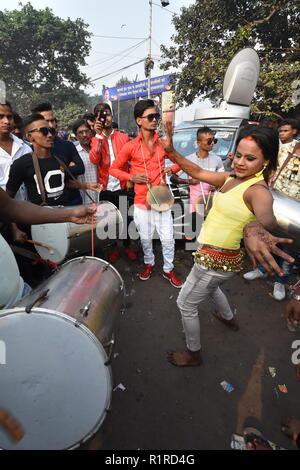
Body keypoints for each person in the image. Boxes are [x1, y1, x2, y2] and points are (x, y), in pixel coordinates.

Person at [160, 122, 290, 366]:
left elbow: (267, 219)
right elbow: (197, 172)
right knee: (212, 288)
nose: (240, 162)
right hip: (208, 255)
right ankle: (228, 317)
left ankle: (194, 354)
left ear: (265, 161)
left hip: (217, 261)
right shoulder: (232, 178)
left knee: (185, 304)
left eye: (250, 158)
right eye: (238, 155)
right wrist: (171, 151)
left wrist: (256, 228)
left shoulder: (258, 190)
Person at [109, 99, 183, 288]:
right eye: (150, 116)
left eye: (156, 116)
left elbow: (180, 162)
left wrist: (171, 170)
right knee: (145, 238)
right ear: (139, 120)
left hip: (162, 200)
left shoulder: (163, 144)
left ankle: (168, 269)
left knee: (167, 238)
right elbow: (113, 169)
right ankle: (149, 264)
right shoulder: (131, 146)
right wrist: (131, 177)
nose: (155, 120)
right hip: (142, 201)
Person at [6, 114, 100, 210]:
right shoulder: (21, 164)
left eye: (51, 131)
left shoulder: (60, 159)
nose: (50, 135)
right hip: (40, 220)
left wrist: (87, 185)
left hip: (65, 216)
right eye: (44, 131)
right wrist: (13, 224)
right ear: (30, 136)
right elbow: (8, 198)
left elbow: (65, 182)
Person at [243, 141, 300, 300]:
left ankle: (280, 281)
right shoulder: (286, 149)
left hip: (295, 216)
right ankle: (261, 270)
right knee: (265, 242)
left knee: (288, 251)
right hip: (272, 205)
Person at [90, 102, 137, 262]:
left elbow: (133, 161)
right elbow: (94, 159)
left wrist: (130, 178)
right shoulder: (95, 139)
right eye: (101, 116)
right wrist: (98, 137)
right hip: (105, 187)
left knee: (125, 217)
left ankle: (127, 246)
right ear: (96, 119)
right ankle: (114, 248)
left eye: (107, 114)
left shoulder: (123, 138)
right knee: (109, 221)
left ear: (112, 116)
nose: (105, 118)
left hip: (123, 185)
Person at [170, 126, 224, 239]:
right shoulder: (189, 160)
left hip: (211, 204)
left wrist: (217, 184)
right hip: (195, 205)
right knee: (194, 237)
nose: (213, 143)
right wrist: (189, 181)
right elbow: (173, 178)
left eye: (214, 140)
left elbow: (223, 179)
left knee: (211, 236)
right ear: (199, 143)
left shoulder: (217, 160)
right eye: (209, 140)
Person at [31, 102, 85, 205]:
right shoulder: (30, 149)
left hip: (72, 201)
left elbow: (80, 168)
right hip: (45, 206)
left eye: (53, 120)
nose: (51, 125)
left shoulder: (67, 145)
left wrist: (61, 169)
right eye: (46, 121)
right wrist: (65, 168)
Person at [0, 102, 31, 198]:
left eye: (9, 117)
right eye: (0, 116)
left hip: (26, 208)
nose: (6, 121)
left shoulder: (25, 148)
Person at [72, 119, 98, 205]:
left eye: (86, 131)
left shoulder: (99, 150)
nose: (84, 135)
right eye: (80, 132)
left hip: (102, 198)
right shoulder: (74, 154)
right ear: (75, 135)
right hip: (84, 201)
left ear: (91, 132)